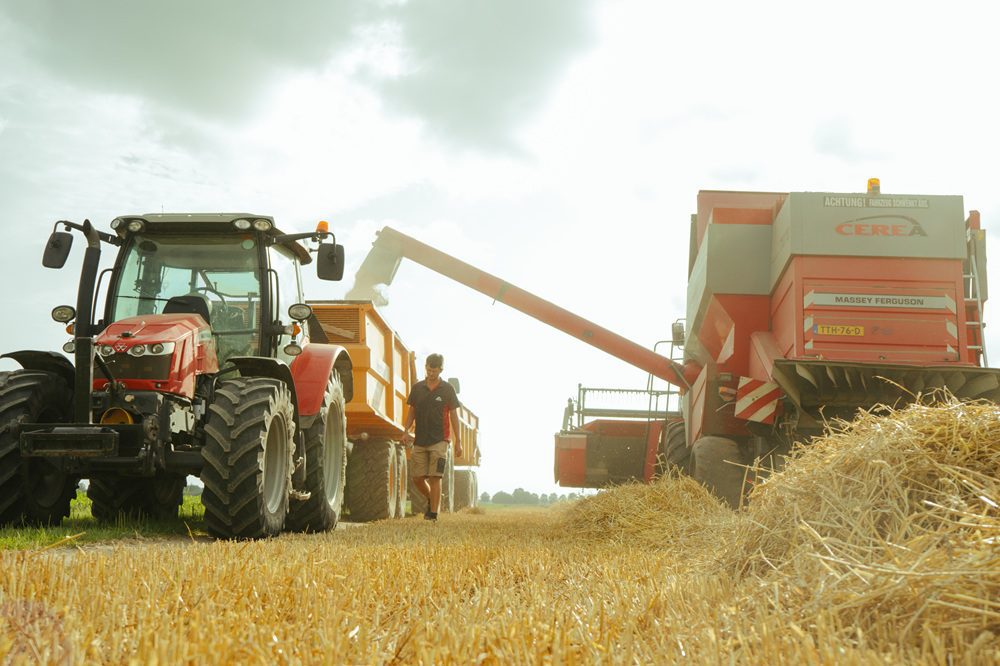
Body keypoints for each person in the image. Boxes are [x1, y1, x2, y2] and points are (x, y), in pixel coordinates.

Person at [402, 353, 462, 521]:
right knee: (417, 478)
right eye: (428, 370)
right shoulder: (417, 388)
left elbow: (454, 416)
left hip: (440, 440)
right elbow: (412, 411)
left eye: (434, 371)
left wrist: (458, 441)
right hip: (420, 440)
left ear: (441, 370)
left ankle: (433, 514)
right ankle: (432, 498)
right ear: (426, 367)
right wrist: (405, 430)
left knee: (435, 477)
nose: (430, 374)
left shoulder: (447, 389)